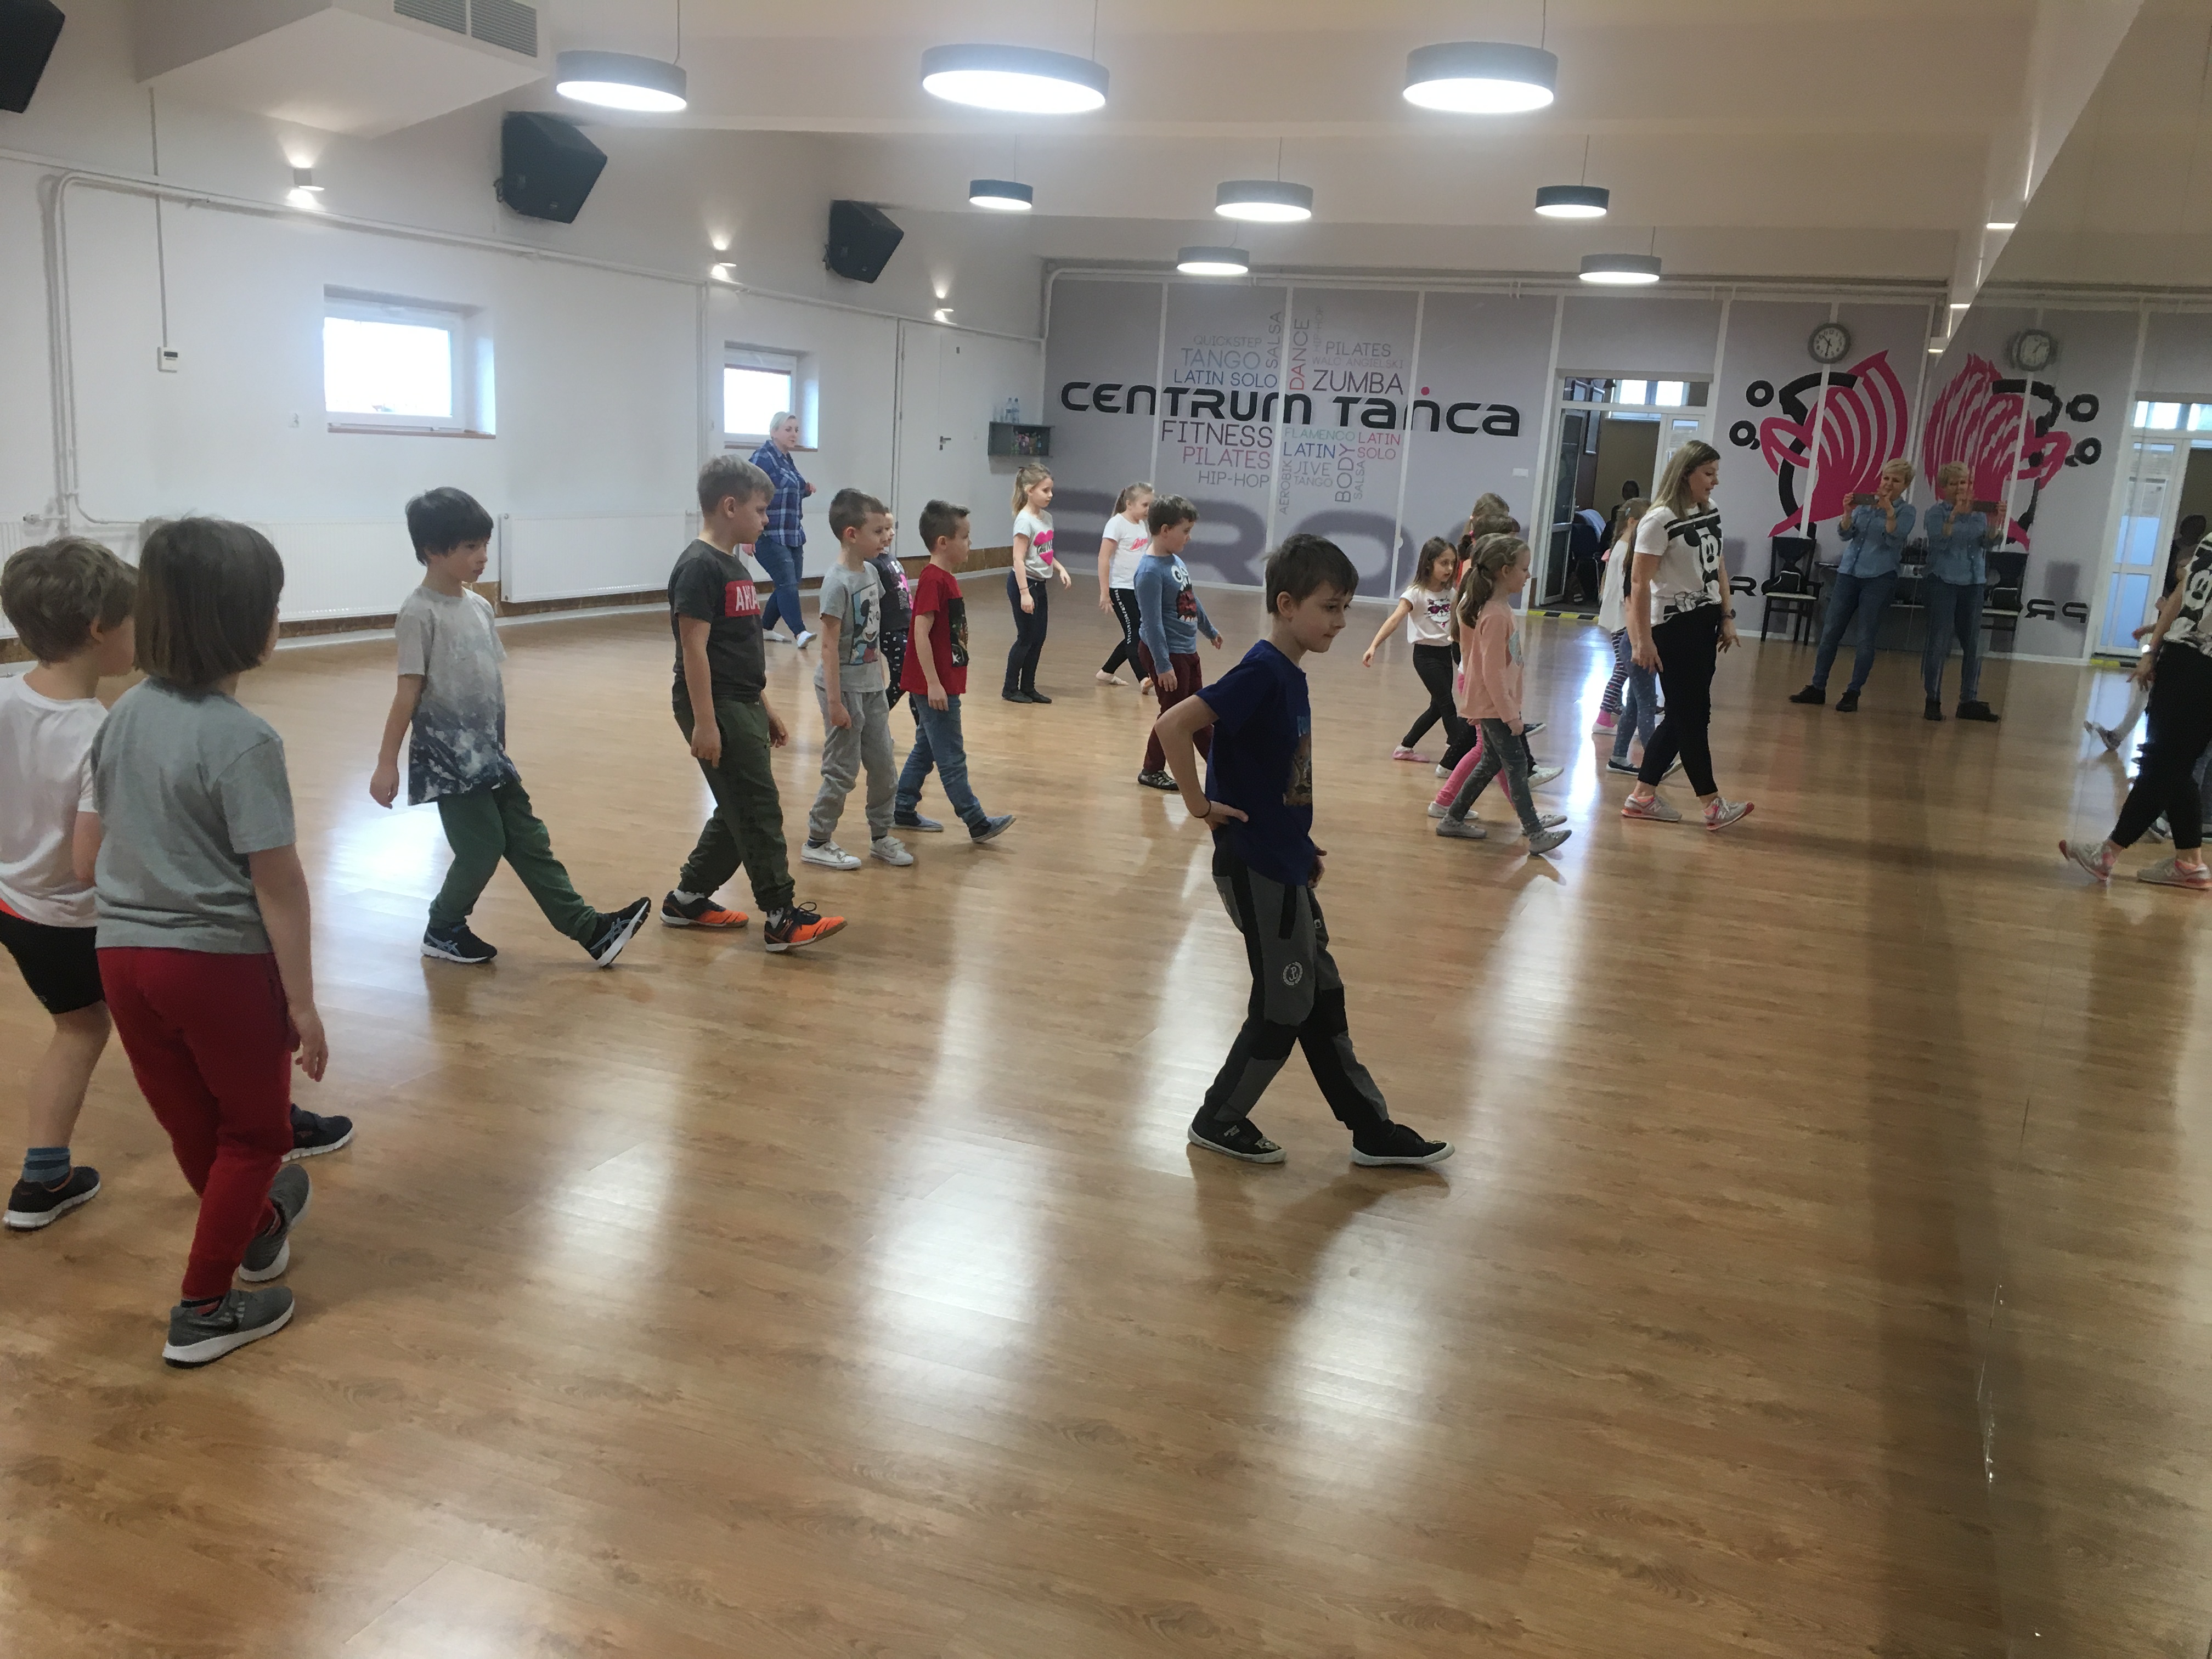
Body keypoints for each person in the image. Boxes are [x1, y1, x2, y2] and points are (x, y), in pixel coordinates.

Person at [83, 518, 326, 1367]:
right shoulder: (244, 739)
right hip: (214, 966)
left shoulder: (121, 716)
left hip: (122, 958)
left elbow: (97, 845)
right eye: (273, 604)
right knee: (256, 1136)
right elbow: (278, 883)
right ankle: (204, 1309)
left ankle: (256, 1225)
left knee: (195, 1124)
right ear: (245, 622)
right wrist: (302, 1002)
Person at [1150, 534, 1452, 1169]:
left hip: (1282, 859)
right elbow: (1173, 725)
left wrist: (1299, 841)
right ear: (1286, 605)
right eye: (1329, 608)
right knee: (1284, 1003)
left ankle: (1371, 1130)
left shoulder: (1287, 675)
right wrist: (1199, 806)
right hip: (1255, 865)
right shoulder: (1262, 671)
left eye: (1345, 608)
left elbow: (1272, 771)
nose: (1340, 622)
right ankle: (1218, 1119)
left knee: (1322, 992)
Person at [370, 488, 650, 968]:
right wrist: (385, 763)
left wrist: (497, 748)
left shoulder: (480, 608)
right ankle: (443, 928)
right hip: (448, 759)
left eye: (485, 545)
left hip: (490, 756)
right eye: (470, 548)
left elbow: (485, 684)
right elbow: (407, 692)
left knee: (528, 839)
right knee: (482, 849)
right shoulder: (419, 614)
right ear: (433, 551)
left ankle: (592, 931)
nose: (483, 557)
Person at [0, 538, 134, 1232]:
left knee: (77, 1028)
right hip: (77, 919)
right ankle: (260, 1129)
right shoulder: (98, 734)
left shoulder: (4, 696)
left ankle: (43, 1180)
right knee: (173, 1024)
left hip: (14, 907)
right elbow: (90, 864)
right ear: (99, 629)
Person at [663, 456, 847, 953]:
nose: (767, 520)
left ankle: (687, 899)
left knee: (738, 804)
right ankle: (781, 916)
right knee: (757, 806)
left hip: (741, 699)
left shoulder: (732, 565)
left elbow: (737, 650)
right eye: (761, 510)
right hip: (715, 703)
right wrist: (705, 723)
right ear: (730, 507)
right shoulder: (699, 566)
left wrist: (764, 707)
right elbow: (694, 650)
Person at [2061, 525, 2212, 890]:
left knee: (2163, 762)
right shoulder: (2210, 541)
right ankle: (2189, 863)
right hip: (2181, 657)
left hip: (2202, 667)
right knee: (2172, 764)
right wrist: (2153, 650)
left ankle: (2109, 852)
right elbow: (2181, 596)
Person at [1621, 441, 1754, 830]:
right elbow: (1639, 584)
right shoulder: (1658, 521)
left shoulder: (1709, 510)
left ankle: (1642, 796)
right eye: (1708, 474)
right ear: (1685, 474)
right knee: (1691, 717)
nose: (1715, 482)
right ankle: (1711, 805)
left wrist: (1726, 615)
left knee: (1687, 713)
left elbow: (1718, 564)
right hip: (1674, 628)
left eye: (1716, 473)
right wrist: (1642, 640)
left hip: (1703, 622)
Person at [1435, 534, 1571, 857]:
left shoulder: (1499, 610)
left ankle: (1452, 818)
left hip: (1494, 704)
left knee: (1490, 762)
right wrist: (1510, 715)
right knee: (1517, 765)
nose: (1528, 575)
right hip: (1495, 707)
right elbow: (1492, 673)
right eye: (1524, 569)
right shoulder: (1495, 616)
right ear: (1505, 571)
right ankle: (1535, 832)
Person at [894, 499, 1017, 844]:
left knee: (927, 748)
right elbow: (920, 632)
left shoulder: (945, 579)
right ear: (943, 542)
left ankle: (902, 808)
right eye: (964, 537)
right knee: (951, 756)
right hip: (936, 686)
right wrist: (933, 684)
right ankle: (976, 821)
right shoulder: (934, 580)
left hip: (943, 681)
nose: (970, 543)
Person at [802, 489, 912, 871]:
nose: (886, 538)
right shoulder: (837, 583)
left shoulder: (871, 573)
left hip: (870, 686)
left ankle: (881, 836)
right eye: (878, 531)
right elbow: (829, 647)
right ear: (852, 534)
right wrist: (835, 704)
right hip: (843, 689)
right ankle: (818, 840)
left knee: (884, 767)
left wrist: (879, 671)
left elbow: (873, 630)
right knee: (842, 769)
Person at [1787, 460, 1917, 712]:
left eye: (1896, 480)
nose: (1889, 484)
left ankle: (1853, 692)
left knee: (1866, 637)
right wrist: (1847, 512)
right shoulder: (1866, 505)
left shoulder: (1907, 511)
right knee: (1830, 631)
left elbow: (1894, 539)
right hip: (1848, 573)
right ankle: (1817, 687)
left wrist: (1889, 511)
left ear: (1905, 485)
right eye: (1886, 478)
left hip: (1880, 576)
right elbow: (1846, 534)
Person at [2087, 512, 2203, 752]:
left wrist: (2160, 618)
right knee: (2148, 691)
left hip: (2190, 655)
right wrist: (2151, 629)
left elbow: (2185, 621)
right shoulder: (2185, 592)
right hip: (2176, 648)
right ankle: (2124, 738)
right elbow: (2177, 622)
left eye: (2182, 568)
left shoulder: (2195, 593)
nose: (2178, 571)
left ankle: (2141, 743)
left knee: (2159, 697)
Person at [1132, 495, 1224, 789]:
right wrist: (1163, 666)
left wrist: (1209, 630)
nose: (1189, 537)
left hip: (1186, 652)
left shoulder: (1175, 561)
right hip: (1168, 655)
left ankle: (1220, 768)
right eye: (1185, 531)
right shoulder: (1149, 572)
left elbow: (1190, 599)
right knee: (1173, 716)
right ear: (1165, 530)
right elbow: (1152, 624)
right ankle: (1151, 770)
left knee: (1197, 712)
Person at [1362, 537, 1466, 764]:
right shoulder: (1415, 593)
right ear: (1429, 564)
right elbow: (1394, 620)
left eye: (1452, 563)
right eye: (1444, 563)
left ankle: (1405, 748)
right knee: (1447, 704)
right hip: (1425, 657)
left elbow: (1460, 624)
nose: (1449, 569)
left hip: (1445, 654)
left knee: (1437, 707)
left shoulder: (1451, 593)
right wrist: (1374, 645)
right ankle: (1458, 752)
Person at [1920, 461, 2003, 723]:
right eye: (1954, 483)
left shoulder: (1979, 515)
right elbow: (1939, 541)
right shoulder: (1936, 513)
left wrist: (1994, 523)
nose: (1960, 488)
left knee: (1973, 645)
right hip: (1942, 581)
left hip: (1973, 582)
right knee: (1938, 643)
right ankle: (1933, 699)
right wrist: (1955, 515)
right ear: (1944, 488)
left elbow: (1988, 543)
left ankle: (1968, 700)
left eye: (1964, 482)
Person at [1003, 463, 1070, 703]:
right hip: (1024, 584)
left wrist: (1060, 568)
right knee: (1026, 638)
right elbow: (1019, 559)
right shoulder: (1024, 521)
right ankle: (1010, 689)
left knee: (1038, 638)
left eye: (1051, 490)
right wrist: (1024, 593)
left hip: (1040, 584)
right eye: (1045, 490)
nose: (1050, 495)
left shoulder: (1047, 518)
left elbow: (1044, 552)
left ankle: (1028, 687)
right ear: (1029, 490)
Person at [748, 412, 816, 648]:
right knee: (787, 582)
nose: (794, 434)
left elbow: (786, 491)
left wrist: (806, 489)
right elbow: (748, 496)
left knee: (789, 583)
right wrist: (747, 536)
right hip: (769, 534)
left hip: (792, 533)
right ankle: (800, 632)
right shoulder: (763, 457)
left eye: (796, 430)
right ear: (773, 431)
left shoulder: (786, 459)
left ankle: (765, 628)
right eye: (788, 429)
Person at [1593, 498, 1648, 732]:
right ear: (1632, 522)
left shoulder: (1620, 547)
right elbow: (1626, 592)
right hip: (1622, 620)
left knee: (1624, 667)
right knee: (1624, 669)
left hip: (1620, 619)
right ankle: (1603, 717)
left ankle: (1619, 708)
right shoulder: (1626, 551)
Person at [1096, 481, 1153, 687]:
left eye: (1150, 505)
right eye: (1145, 505)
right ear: (1129, 504)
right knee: (1135, 633)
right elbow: (1104, 558)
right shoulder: (1116, 524)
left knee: (1136, 632)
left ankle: (1107, 672)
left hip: (1138, 588)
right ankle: (1143, 677)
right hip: (1121, 588)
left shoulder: (1141, 525)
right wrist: (1105, 592)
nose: (1148, 510)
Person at [871, 518, 913, 711]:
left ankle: (876, 720)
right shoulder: (871, 564)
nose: (892, 533)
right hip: (891, 630)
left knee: (901, 683)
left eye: (890, 528)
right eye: (885, 529)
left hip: (906, 625)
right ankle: (923, 728)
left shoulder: (890, 558)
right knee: (913, 677)